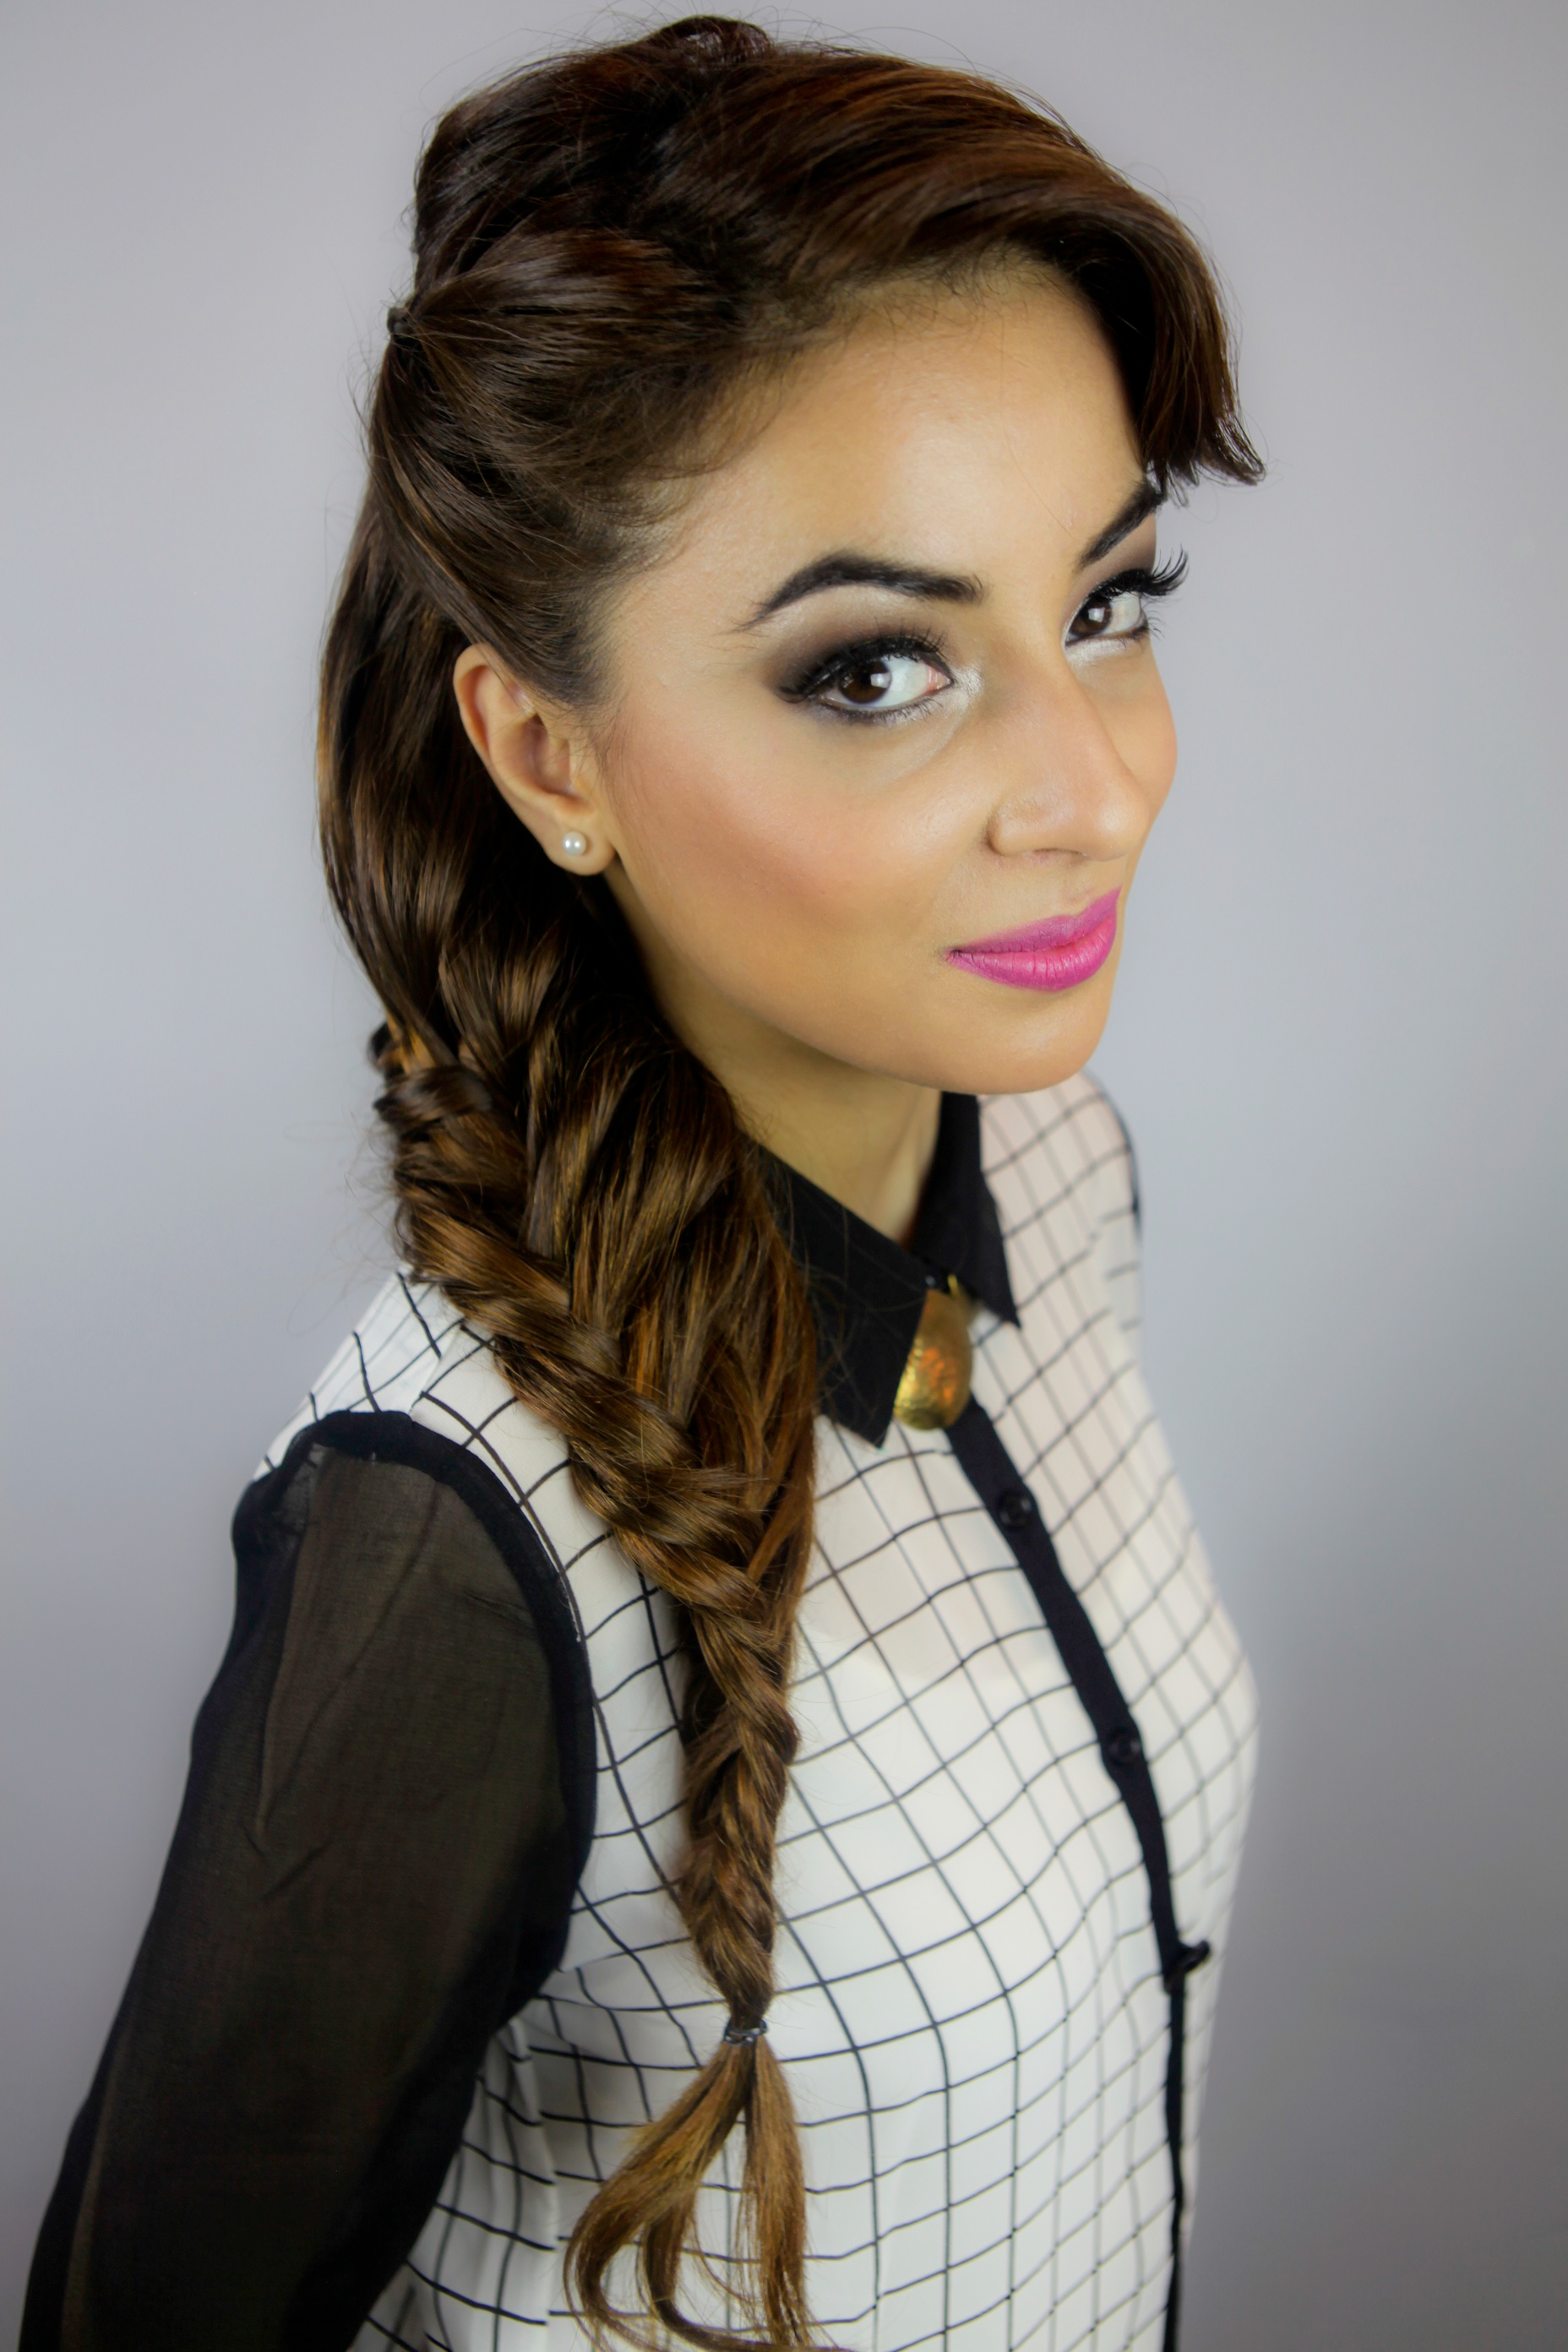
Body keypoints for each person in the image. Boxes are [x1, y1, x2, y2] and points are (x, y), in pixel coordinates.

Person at [22, 17, 1263, 2350]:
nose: (1093, 789)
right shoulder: (456, 1543)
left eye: (1106, 605)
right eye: (877, 670)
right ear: (548, 753)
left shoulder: (1057, 1172)